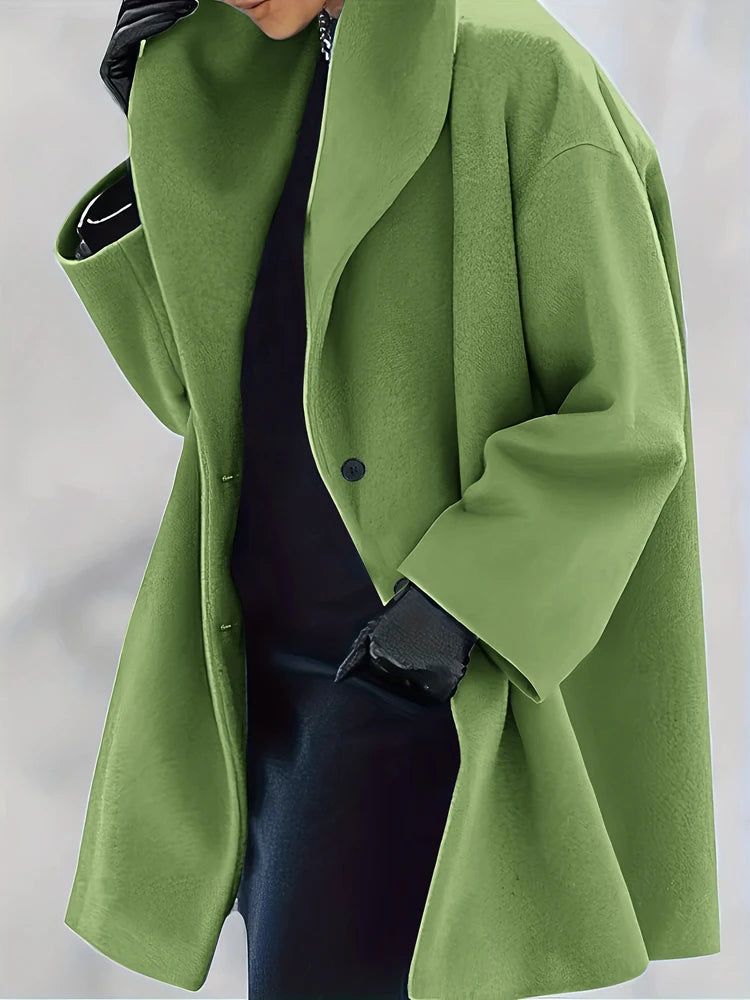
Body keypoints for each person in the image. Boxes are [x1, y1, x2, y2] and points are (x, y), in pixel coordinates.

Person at [54, 1, 721, 998]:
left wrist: (453, 606)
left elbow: (628, 411)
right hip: (255, 662)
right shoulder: (259, 76)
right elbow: (203, 399)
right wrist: (158, 132)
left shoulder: (517, 70)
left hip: (403, 667)